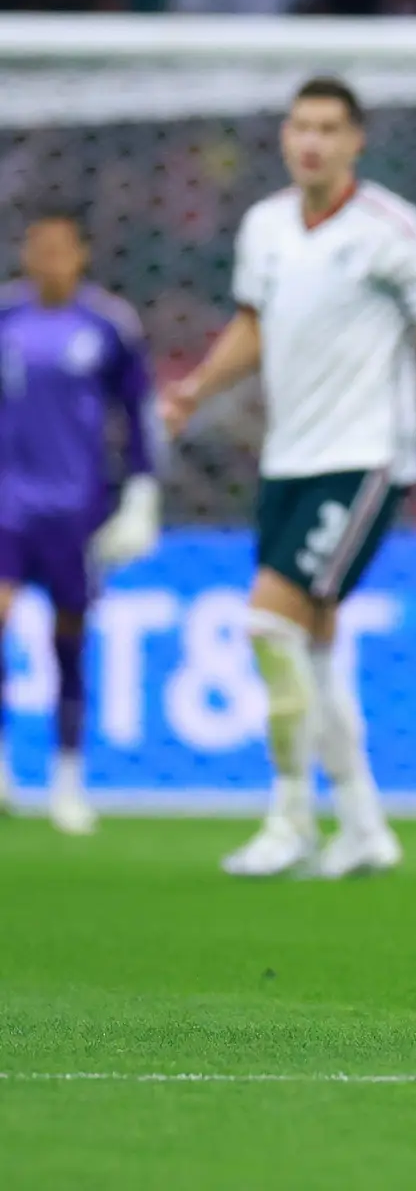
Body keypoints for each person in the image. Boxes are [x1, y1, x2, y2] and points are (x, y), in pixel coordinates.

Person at [160, 76, 416, 879]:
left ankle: (290, 817)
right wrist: (199, 387)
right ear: (284, 136)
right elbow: (253, 326)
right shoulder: (265, 226)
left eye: (328, 128)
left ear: (356, 141)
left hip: (365, 458)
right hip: (289, 460)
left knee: (270, 625)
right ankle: (366, 824)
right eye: (300, 126)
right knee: (313, 639)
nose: (312, 140)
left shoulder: (392, 230)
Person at [0, 209, 162, 834]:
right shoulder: (7, 320)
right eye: (38, 246)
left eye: (60, 247)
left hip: (76, 508)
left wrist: (142, 493)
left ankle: (67, 779)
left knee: (68, 639)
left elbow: (137, 410)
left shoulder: (108, 325)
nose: (49, 258)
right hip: (8, 505)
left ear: (81, 254)